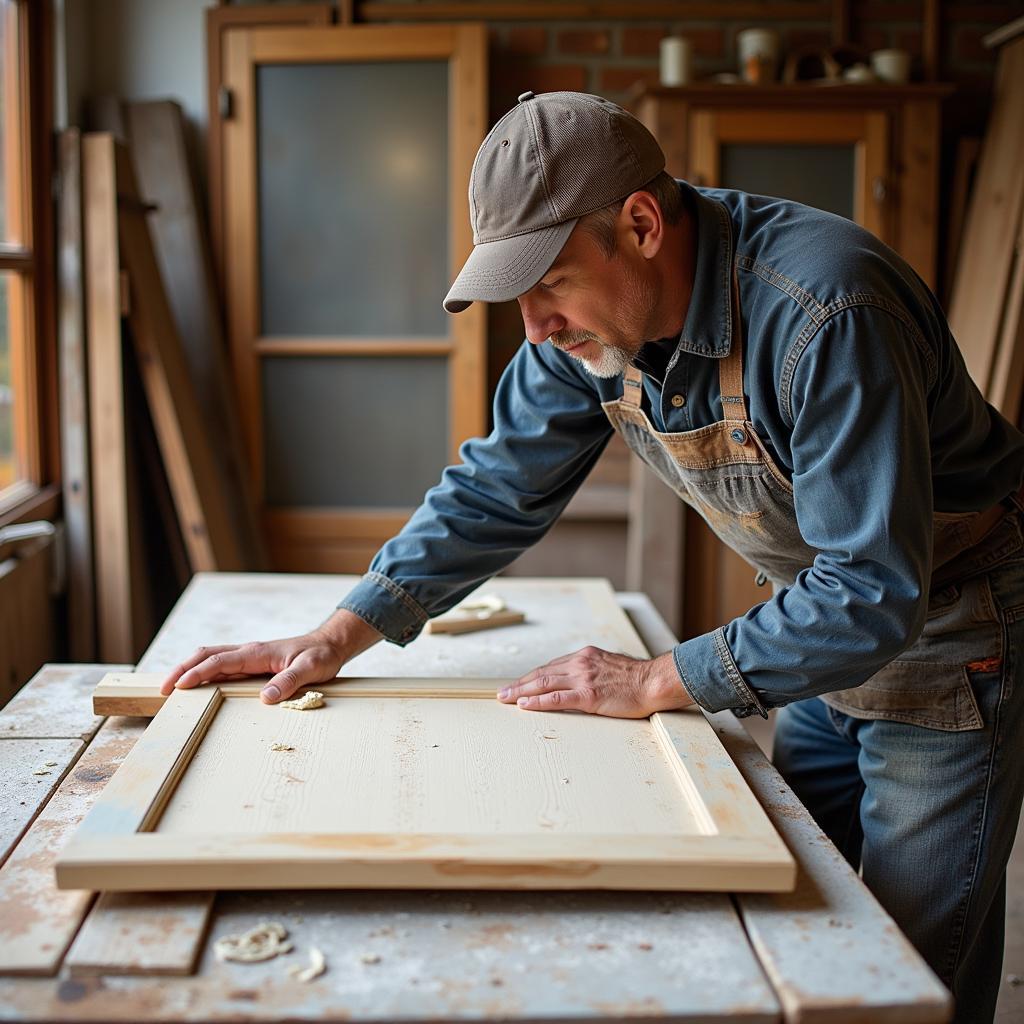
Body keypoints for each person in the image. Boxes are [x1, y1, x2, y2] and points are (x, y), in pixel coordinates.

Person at [163, 91, 1024, 1022]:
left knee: (903, 975)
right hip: (811, 625)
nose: (533, 325)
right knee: (795, 921)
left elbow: (870, 588)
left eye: (550, 283)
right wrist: (342, 632)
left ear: (642, 224)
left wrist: (659, 677)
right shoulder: (582, 331)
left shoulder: (826, 311)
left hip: (946, 635)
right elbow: (498, 486)